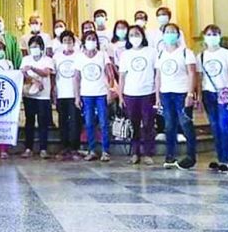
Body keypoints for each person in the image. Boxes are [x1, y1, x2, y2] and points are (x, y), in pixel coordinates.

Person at [155, 23, 197, 170]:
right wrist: (157, 95)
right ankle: (170, 155)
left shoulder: (186, 52)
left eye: (173, 31)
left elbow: (192, 73)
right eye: (167, 31)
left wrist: (190, 94)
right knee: (169, 126)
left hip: (182, 93)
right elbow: (158, 76)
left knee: (186, 124)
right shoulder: (160, 53)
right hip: (166, 93)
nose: (170, 34)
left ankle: (191, 156)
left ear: (178, 35)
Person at [197, 24, 228, 175]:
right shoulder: (200, 56)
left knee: (224, 125)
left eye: (215, 33)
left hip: (225, 92)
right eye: (209, 34)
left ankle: (226, 160)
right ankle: (220, 158)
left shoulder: (227, 54)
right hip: (209, 93)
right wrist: (199, 97)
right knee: (214, 126)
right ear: (204, 37)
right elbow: (200, 78)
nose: (212, 36)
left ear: (219, 36)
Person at [118, 25, 157, 165]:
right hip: (130, 93)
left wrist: (158, 96)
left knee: (148, 124)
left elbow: (157, 74)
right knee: (133, 125)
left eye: (137, 34)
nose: (135, 37)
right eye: (132, 35)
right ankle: (135, 152)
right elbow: (121, 77)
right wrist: (120, 95)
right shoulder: (125, 54)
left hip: (148, 93)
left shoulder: (151, 52)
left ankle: (148, 153)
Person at [75, 31, 113, 161]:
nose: (91, 41)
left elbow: (110, 73)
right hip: (86, 94)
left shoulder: (102, 55)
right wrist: (77, 96)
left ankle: (105, 150)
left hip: (101, 93)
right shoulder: (79, 57)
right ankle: (92, 150)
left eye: (93, 39)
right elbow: (77, 78)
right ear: (84, 41)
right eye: (88, 39)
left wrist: (110, 90)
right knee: (89, 122)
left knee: (103, 123)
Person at [20, 35, 55, 159]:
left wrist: (33, 68)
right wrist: (34, 80)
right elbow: (23, 74)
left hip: (43, 96)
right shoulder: (26, 59)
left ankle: (43, 148)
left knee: (42, 122)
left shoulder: (47, 60)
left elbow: (46, 73)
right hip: (29, 94)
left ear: (41, 47)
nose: (34, 49)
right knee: (29, 122)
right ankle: (28, 148)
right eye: (32, 47)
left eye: (36, 46)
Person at [53, 30, 82, 160]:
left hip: (75, 93)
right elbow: (54, 75)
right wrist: (53, 92)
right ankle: (64, 147)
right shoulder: (56, 57)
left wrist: (79, 95)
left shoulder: (79, 55)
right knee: (62, 121)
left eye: (69, 41)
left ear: (73, 42)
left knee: (75, 121)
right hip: (61, 93)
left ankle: (74, 148)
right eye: (64, 41)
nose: (67, 43)